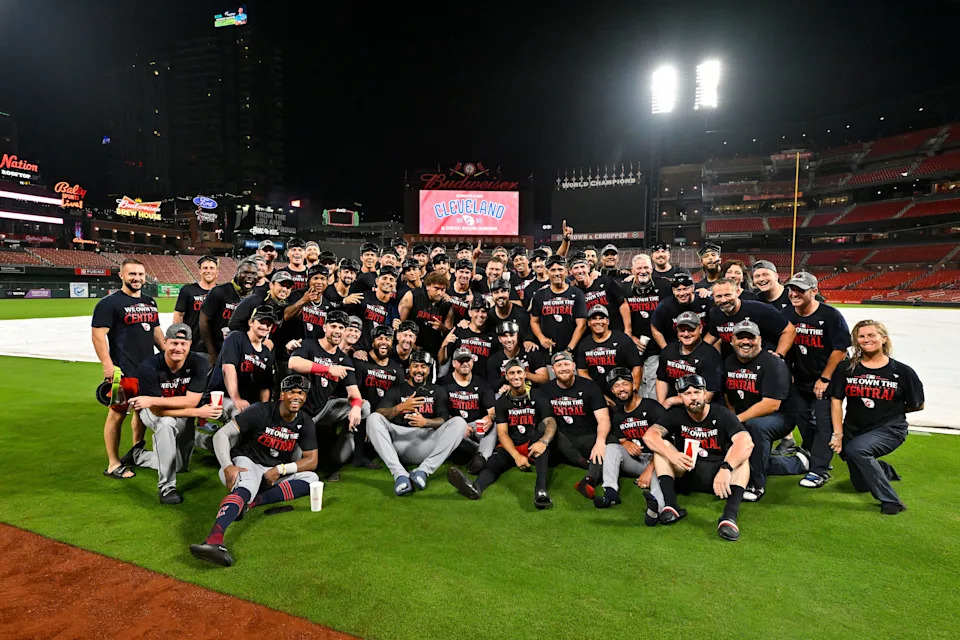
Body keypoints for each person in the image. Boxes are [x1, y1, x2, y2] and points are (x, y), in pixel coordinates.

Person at [189, 374, 320, 567]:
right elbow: (221, 435)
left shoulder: (305, 421)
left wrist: (281, 469)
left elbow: (312, 460)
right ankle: (213, 540)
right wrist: (227, 466)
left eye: (301, 393)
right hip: (246, 462)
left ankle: (250, 504)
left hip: (270, 473)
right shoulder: (260, 410)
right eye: (291, 391)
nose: (296, 396)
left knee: (312, 478)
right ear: (281, 395)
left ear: (305, 397)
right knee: (249, 484)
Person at [642, 374, 754, 541]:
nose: (693, 397)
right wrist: (671, 454)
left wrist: (726, 468)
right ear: (680, 397)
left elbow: (746, 442)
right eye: (687, 394)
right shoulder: (676, 414)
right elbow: (650, 436)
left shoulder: (721, 413)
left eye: (697, 392)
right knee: (662, 448)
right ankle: (671, 506)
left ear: (704, 394)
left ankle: (729, 517)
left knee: (742, 458)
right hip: (688, 470)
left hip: (718, 477)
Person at [830, 320, 924, 515]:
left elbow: (918, 404)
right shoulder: (846, 368)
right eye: (861, 336)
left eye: (871, 335)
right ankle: (884, 470)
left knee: (858, 450)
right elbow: (836, 400)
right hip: (854, 430)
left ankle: (891, 500)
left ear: (884, 338)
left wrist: (889, 410)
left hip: (890, 428)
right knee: (860, 484)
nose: (866, 339)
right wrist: (838, 434)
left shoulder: (903, 372)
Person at [121, 324, 220, 503]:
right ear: (165, 343)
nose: (178, 348)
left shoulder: (199, 363)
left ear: (190, 345)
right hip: (152, 412)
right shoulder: (148, 367)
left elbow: (191, 401)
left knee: (179, 466)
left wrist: (154, 399)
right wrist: (198, 412)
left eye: (183, 344)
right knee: (166, 423)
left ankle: (138, 456)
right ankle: (166, 488)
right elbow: (158, 410)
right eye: (174, 343)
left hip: (182, 411)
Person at [447, 359, 556, 508]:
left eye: (519, 372)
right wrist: (516, 456)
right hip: (512, 444)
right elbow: (503, 433)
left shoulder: (538, 395)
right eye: (511, 373)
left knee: (541, 444)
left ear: (525, 374)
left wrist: (544, 442)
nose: (516, 376)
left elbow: (550, 422)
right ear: (506, 376)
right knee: (493, 463)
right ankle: (476, 488)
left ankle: (541, 491)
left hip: (532, 443)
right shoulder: (502, 402)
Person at [92, 258, 163, 480]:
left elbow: (156, 332)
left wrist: (168, 356)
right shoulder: (109, 303)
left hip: (147, 371)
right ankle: (113, 463)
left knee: (142, 412)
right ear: (121, 275)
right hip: (122, 372)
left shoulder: (150, 302)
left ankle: (136, 451)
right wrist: (107, 365)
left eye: (141, 274)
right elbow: (98, 335)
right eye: (132, 274)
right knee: (116, 414)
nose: (137, 278)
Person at [723, 321, 808, 502]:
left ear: (759, 340)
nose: (746, 342)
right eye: (740, 337)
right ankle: (796, 463)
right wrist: (731, 418)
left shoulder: (773, 363)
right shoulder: (729, 361)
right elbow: (727, 395)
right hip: (746, 414)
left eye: (751, 337)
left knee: (756, 427)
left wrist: (736, 421)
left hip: (780, 417)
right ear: (732, 340)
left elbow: (771, 404)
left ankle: (756, 485)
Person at [783, 272, 852, 489]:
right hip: (801, 378)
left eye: (800, 290)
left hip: (827, 378)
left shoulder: (830, 315)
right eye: (792, 289)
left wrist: (825, 378)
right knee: (801, 418)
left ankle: (818, 470)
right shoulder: (786, 314)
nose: (794, 294)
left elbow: (841, 350)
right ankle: (815, 455)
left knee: (824, 423)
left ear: (814, 291)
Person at [366, 351, 467, 495]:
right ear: (409, 368)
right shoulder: (398, 389)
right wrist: (400, 408)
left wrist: (426, 422)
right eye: (415, 366)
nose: (419, 370)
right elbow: (380, 413)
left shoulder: (438, 390)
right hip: (399, 442)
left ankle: (423, 471)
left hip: (426, 442)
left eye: (424, 367)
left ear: (429, 369)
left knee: (459, 423)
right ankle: (400, 474)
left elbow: (443, 419)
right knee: (372, 419)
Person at [288, 310, 369, 474]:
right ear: (325, 327)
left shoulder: (344, 360)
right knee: (295, 462)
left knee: (364, 406)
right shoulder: (308, 345)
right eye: (333, 326)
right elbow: (293, 362)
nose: (338, 330)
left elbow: (354, 393)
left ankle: (343, 450)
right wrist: (328, 369)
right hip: (300, 413)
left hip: (323, 409)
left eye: (341, 327)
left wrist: (355, 407)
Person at [595, 368, 666, 519]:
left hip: (658, 459)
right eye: (616, 386)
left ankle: (656, 510)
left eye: (625, 384)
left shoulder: (652, 408)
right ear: (613, 391)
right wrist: (625, 443)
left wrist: (649, 470)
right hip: (637, 461)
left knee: (657, 477)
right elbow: (621, 440)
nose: (621, 389)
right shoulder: (618, 414)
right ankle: (610, 492)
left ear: (633, 385)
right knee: (611, 448)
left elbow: (666, 444)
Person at [540, 351, 610, 498]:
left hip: (587, 437)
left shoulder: (590, 386)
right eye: (559, 365)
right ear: (552, 369)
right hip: (563, 441)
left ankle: (588, 480)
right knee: (543, 427)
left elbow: (603, 418)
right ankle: (582, 462)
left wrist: (600, 442)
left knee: (610, 442)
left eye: (566, 364)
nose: (563, 368)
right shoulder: (546, 390)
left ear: (573, 366)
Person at [206, 305, 277, 422]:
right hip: (222, 398)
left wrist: (264, 409)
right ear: (251, 322)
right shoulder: (236, 338)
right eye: (261, 322)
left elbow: (265, 387)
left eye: (269, 324)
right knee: (240, 414)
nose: (265, 327)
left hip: (248, 402)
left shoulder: (267, 354)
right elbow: (228, 368)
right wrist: (236, 398)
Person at [705, 278, 796, 360]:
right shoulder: (715, 312)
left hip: (762, 364)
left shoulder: (759, 309)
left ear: (737, 292)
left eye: (727, 295)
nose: (724, 300)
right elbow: (713, 334)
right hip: (734, 367)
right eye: (719, 296)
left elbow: (789, 330)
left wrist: (779, 355)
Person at [623, 254, 670, 399]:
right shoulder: (624, 288)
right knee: (635, 383)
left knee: (652, 383)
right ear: (632, 270)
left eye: (646, 267)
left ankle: (652, 416)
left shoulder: (664, 285)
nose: (643, 271)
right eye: (639, 268)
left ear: (652, 268)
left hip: (656, 346)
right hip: (633, 344)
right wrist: (629, 337)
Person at [439, 346, 497, 464]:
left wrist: (490, 418)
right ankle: (482, 454)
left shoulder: (482, 383)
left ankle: (481, 458)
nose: (465, 364)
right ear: (454, 363)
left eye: (468, 360)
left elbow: (492, 411)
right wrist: (459, 426)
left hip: (476, 426)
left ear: (472, 362)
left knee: (496, 424)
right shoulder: (443, 383)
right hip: (453, 426)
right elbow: (440, 413)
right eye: (461, 361)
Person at [656, 311, 723, 408]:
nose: (686, 334)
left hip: (701, 407)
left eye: (691, 330)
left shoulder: (710, 355)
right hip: (676, 407)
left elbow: (707, 397)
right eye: (682, 330)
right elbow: (661, 379)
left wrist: (672, 401)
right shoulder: (668, 350)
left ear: (700, 329)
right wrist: (662, 406)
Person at [575, 306, 642, 399]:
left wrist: (633, 390)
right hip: (598, 396)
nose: (598, 322)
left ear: (608, 321)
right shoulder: (583, 345)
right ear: (589, 323)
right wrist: (597, 395)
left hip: (623, 393)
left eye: (602, 318)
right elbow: (582, 371)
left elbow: (637, 366)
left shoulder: (623, 340)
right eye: (594, 319)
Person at [200, 259, 258, 364]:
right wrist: (212, 353)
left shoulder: (257, 297)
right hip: (218, 350)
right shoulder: (219, 291)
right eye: (245, 272)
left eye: (253, 273)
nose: (249, 276)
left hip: (243, 353)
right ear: (237, 274)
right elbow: (204, 322)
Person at [529, 255, 588, 356]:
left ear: (566, 271)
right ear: (547, 272)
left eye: (560, 269)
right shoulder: (539, 295)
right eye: (553, 270)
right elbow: (534, 321)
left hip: (573, 351)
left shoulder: (577, 293)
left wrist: (569, 349)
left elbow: (582, 324)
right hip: (548, 351)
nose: (557, 273)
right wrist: (541, 338)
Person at [568, 254, 631, 333]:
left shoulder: (605, 280)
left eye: (582, 267)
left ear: (588, 268)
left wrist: (628, 329)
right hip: (590, 337)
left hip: (615, 332)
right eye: (576, 268)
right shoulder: (573, 292)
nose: (580, 271)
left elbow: (622, 303)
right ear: (570, 271)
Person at [486, 320, 549, 394]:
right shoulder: (494, 359)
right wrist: (506, 380)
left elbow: (545, 378)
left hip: (531, 393)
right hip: (506, 394)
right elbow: (491, 385)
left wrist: (523, 373)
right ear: (499, 339)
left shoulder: (530, 352)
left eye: (512, 335)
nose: (509, 340)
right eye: (504, 336)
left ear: (517, 336)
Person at [399, 270, 450, 357]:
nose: (439, 293)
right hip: (411, 346)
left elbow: (449, 330)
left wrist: (442, 328)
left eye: (442, 289)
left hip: (433, 348)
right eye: (436, 288)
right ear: (428, 286)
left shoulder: (446, 304)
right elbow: (401, 325)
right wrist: (411, 344)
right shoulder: (412, 296)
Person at [650, 271, 709, 346]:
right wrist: (666, 349)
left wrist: (705, 347)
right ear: (673, 290)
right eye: (678, 290)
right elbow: (655, 328)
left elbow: (714, 330)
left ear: (693, 288)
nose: (682, 293)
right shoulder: (664, 306)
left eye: (685, 289)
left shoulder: (705, 300)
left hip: (700, 345)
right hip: (675, 347)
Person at [174, 255, 219, 353]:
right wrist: (178, 338)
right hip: (192, 343)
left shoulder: (222, 292)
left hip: (215, 344)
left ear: (217, 272)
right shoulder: (188, 290)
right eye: (205, 268)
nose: (208, 271)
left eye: (212, 268)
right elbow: (179, 315)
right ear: (200, 271)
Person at [347, 266, 401, 349]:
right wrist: (344, 302)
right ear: (377, 281)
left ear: (395, 284)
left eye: (391, 280)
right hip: (360, 349)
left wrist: (396, 328)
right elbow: (347, 321)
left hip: (379, 351)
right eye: (384, 278)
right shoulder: (362, 297)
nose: (387, 282)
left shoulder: (394, 307)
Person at [439, 297, 496, 374]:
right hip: (457, 382)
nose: (480, 315)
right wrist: (443, 345)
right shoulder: (458, 332)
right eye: (476, 311)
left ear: (487, 315)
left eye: (483, 311)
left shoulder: (491, 337)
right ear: (470, 313)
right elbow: (442, 361)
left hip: (481, 383)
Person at [285, 264, 330, 341]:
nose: (319, 282)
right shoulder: (296, 295)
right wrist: (303, 301)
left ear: (327, 282)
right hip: (294, 345)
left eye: (322, 279)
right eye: (315, 278)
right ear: (309, 280)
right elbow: (286, 316)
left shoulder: (327, 304)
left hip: (314, 349)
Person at [445, 258, 475, 326]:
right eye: (461, 272)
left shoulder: (474, 291)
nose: (464, 275)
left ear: (471, 275)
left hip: (464, 328)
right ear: (455, 273)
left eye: (467, 273)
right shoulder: (446, 287)